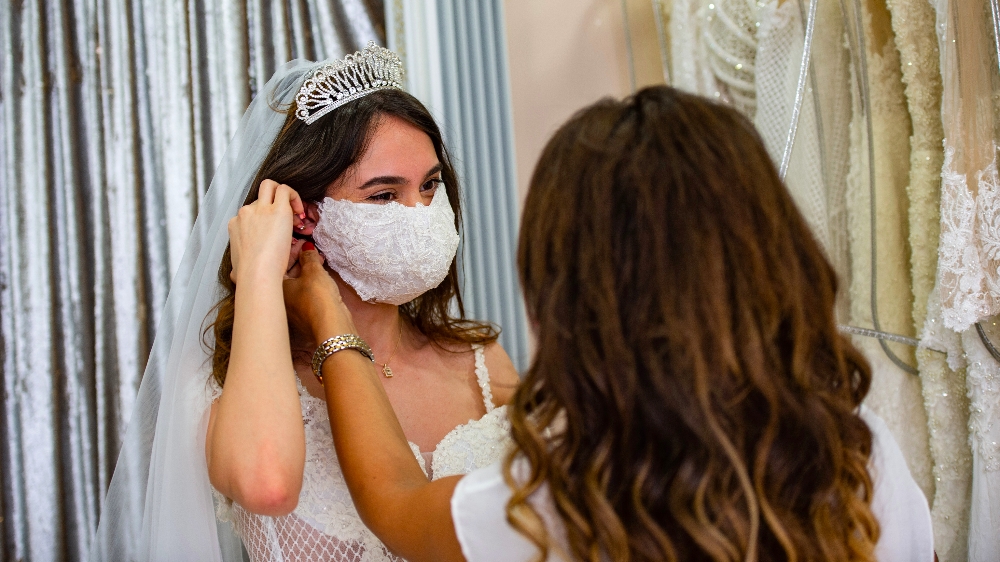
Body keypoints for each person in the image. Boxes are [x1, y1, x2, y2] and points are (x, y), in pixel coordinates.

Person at [274, 86, 934, 561]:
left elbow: (394, 502)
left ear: (569, 300)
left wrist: (329, 319)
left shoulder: (561, 502)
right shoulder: (860, 454)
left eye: (431, 187)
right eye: (385, 194)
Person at [88, 43, 518, 562]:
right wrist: (259, 270)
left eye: (430, 186)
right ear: (305, 215)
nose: (422, 213)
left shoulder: (481, 359)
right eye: (384, 195)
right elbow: (267, 485)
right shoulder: (217, 391)